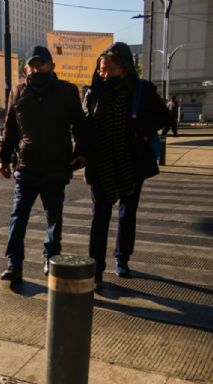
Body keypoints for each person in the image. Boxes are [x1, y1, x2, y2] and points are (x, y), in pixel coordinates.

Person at [0, 46, 88, 284]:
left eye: (42, 64)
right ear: (27, 68)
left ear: (52, 67)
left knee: (53, 217)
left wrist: (81, 153)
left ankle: (51, 257)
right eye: (33, 65)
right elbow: (10, 128)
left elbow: (80, 125)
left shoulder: (67, 91)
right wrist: (3, 158)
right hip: (26, 166)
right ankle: (14, 263)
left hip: (56, 166)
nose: (37, 69)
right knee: (18, 217)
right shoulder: (18, 92)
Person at [83, 42, 169, 285]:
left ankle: (122, 258)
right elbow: (86, 126)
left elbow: (163, 116)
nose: (105, 73)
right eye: (102, 68)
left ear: (125, 68)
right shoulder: (93, 92)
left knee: (127, 213)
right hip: (101, 162)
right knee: (99, 216)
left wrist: (136, 126)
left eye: (111, 68)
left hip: (131, 161)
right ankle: (96, 267)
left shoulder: (141, 90)